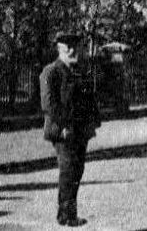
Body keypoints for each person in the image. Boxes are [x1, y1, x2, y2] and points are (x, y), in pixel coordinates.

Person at [40, 33, 101, 227]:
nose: (74, 51)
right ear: (60, 50)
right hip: (63, 132)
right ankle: (66, 216)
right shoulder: (51, 72)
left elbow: (89, 99)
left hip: (80, 131)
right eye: (68, 48)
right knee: (68, 171)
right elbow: (49, 104)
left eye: (76, 47)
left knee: (77, 172)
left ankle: (68, 214)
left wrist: (94, 122)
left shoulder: (80, 72)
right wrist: (63, 126)